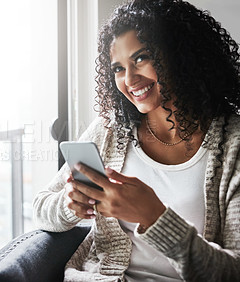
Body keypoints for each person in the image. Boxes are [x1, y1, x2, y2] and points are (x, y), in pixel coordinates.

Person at [33, 0, 240, 281]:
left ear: (180, 54)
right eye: (118, 68)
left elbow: (232, 271)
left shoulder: (233, 145)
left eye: (141, 58)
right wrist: (70, 204)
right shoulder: (110, 130)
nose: (129, 79)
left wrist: (155, 217)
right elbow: (42, 207)